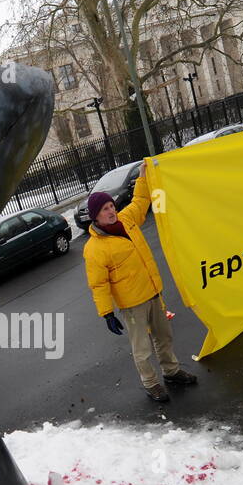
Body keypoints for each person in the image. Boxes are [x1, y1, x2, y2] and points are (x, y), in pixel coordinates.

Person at [83, 162, 197, 403]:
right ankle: (151, 383)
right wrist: (107, 313)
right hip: (132, 305)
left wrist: (143, 177)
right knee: (142, 349)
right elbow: (98, 284)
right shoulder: (94, 249)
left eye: (111, 206)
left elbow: (141, 200)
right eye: (104, 209)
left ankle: (172, 371)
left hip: (153, 293)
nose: (111, 211)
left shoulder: (127, 220)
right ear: (95, 216)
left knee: (164, 336)